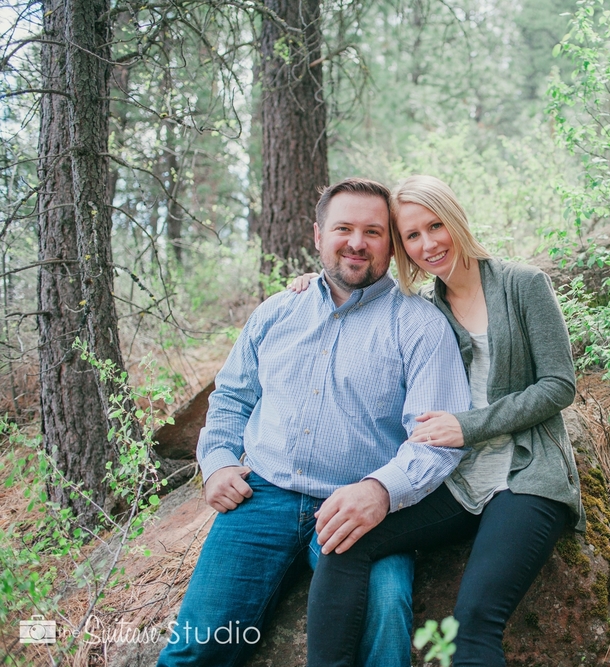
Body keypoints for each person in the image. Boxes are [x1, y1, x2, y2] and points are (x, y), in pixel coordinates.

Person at [157, 177, 471, 667]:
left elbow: (435, 441)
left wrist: (381, 491)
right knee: (196, 648)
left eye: (373, 231)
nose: (356, 242)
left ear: (390, 244)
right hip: (260, 498)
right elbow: (232, 399)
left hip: (360, 510)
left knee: (384, 624)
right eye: (343, 228)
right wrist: (217, 463)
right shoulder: (276, 312)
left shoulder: (420, 325)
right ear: (318, 235)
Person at [296, 175, 586, 667]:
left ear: (456, 221)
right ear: (402, 248)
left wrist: (468, 425)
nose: (428, 243)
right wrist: (310, 285)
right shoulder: (427, 312)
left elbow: (559, 385)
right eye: (411, 235)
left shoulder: (522, 284)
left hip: (524, 476)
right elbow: (353, 303)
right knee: (342, 542)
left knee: (472, 626)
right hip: (457, 480)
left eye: (435, 226)